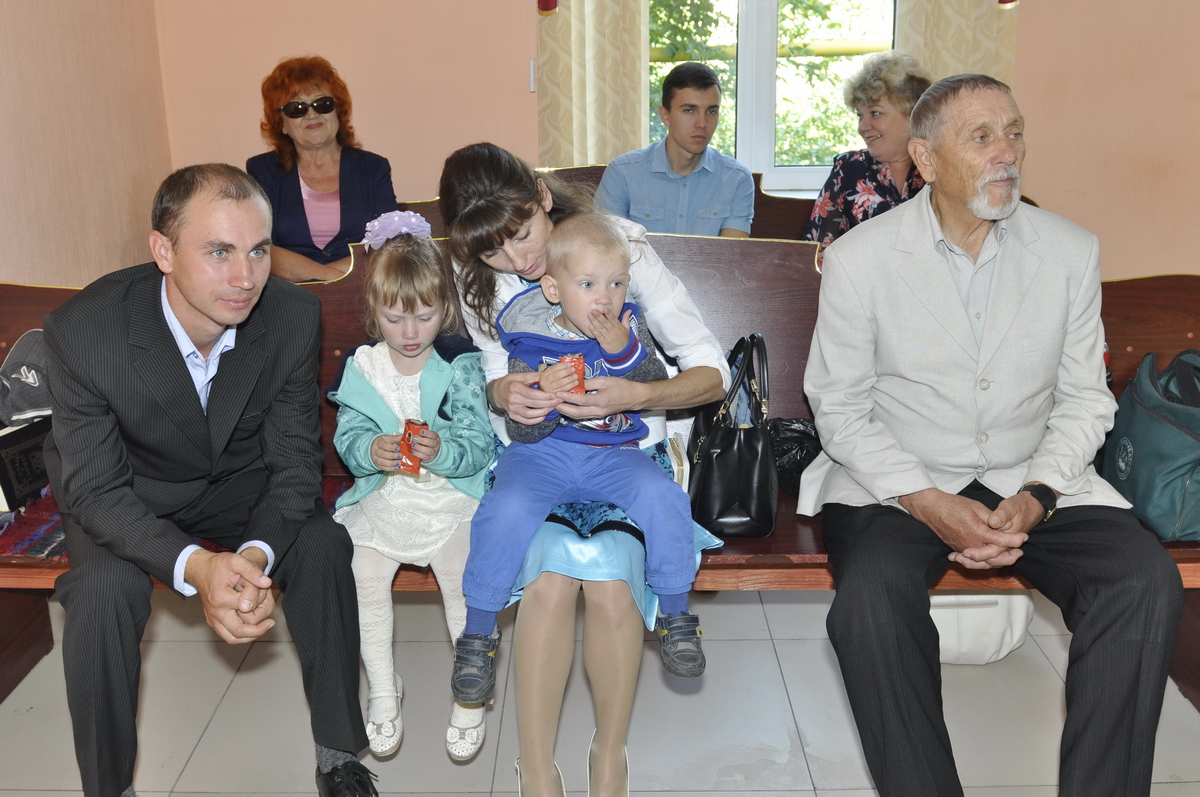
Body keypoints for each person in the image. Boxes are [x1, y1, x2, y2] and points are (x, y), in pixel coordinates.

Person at [797, 74, 1184, 796]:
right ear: (926, 158)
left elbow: (1084, 399)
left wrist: (1039, 492)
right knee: (871, 602)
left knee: (1141, 580)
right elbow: (839, 407)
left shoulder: (1069, 250)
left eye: (1014, 133)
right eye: (982, 137)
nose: (1007, 152)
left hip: (1032, 474)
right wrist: (926, 499)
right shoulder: (860, 258)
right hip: (898, 480)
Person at [43, 164, 379, 797]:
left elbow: (295, 466)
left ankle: (338, 758)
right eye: (220, 252)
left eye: (258, 251)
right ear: (163, 251)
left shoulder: (289, 315)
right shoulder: (85, 333)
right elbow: (93, 491)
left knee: (322, 544)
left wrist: (251, 559)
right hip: (128, 493)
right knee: (101, 591)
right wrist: (197, 567)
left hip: (236, 485)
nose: (245, 278)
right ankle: (109, 788)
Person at [440, 142, 728, 797]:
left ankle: (609, 753)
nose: (516, 260)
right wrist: (506, 393)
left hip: (627, 447)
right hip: (535, 450)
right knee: (548, 581)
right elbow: (493, 371)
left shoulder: (619, 252)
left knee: (608, 582)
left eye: (522, 234)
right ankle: (537, 766)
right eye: (493, 252)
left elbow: (711, 371)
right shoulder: (476, 269)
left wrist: (638, 393)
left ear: (542, 197)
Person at [451, 213, 704, 707]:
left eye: (616, 283)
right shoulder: (529, 337)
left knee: (663, 496)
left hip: (613, 454)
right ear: (553, 289)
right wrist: (542, 396)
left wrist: (625, 351)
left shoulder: (627, 327)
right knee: (503, 509)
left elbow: (653, 383)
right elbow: (524, 431)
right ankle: (478, 632)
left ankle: (675, 614)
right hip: (541, 456)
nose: (604, 298)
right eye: (587, 285)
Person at [327, 211, 495, 761]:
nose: (409, 332)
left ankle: (470, 691)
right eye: (394, 318)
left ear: (444, 308)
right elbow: (350, 433)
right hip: (387, 495)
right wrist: (368, 451)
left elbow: (479, 442)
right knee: (362, 574)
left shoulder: (458, 364)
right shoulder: (365, 366)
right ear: (373, 312)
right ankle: (382, 687)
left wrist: (443, 451)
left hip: (451, 496)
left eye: (423, 317)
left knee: (461, 577)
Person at [247, 56, 397, 283]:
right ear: (282, 123)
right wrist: (329, 280)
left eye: (322, 104)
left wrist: (335, 284)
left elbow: (388, 242)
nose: (311, 114)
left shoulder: (373, 168)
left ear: (338, 111)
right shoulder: (263, 171)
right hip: (291, 296)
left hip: (363, 289)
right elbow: (260, 247)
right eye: (296, 108)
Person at [595, 62, 753, 238]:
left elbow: (731, 252)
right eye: (689, 110)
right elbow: (606, 247)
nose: (702, 123)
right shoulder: (622, 173)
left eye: (711, 112)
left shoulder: (737, 179)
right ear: (665, 115)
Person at [802, 51, 931, 247]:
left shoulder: (940, 168)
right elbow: (818, 249)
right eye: (860, 115)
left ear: (913, 113)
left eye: (875, 113)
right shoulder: (849, 168)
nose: (862, 127)